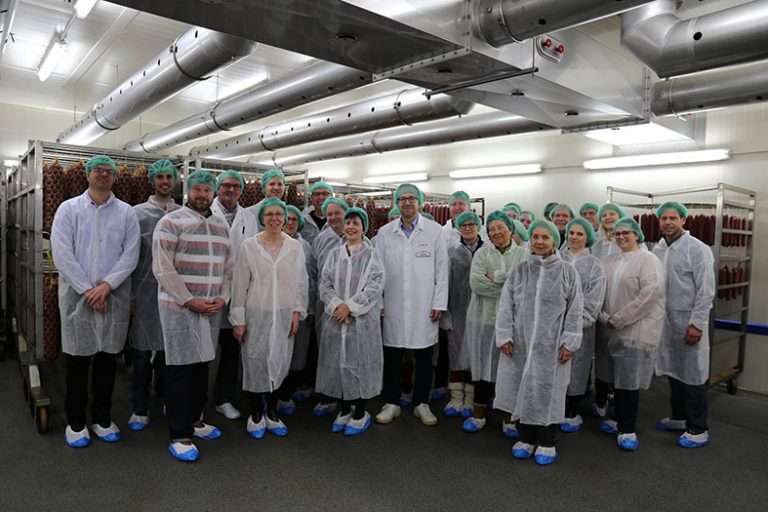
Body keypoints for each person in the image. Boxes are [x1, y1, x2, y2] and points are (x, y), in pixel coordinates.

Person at [51, 155, 140, 448]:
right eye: (98, 170)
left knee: (107, 361)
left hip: (113, 296)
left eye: (108, 171)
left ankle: (102, 417)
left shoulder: (126, 213)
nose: (103, 174)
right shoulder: (68, 209)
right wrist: (88, 290)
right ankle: (76, 421)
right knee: (77, 362)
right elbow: (62, 252)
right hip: (78, 298)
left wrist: (106, 286)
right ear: (88, 175)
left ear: (115, 177)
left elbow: (131, 255)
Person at [153, 170, 233, 462]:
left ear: (213, 193)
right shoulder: (170, 221)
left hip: (210, 309)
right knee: (180, 371)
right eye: (197, 189)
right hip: (179, 309)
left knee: (202, 367)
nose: (202, 194)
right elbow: (163, 269)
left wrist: (222, 298)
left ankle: (196, 421)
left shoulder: (221, 226)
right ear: (188, 191)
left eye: (206, 190)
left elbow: (228, 268)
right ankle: (180, 434)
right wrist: (189, 300)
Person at [494, 219, 583, 465]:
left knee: (548, 391)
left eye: (545, 237)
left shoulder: (567, 271)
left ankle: (547, 441)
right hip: (520, 344)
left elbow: (575, 310)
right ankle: (526, 438)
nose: (540, 242)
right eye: (535, 237)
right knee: (521, 389)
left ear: (554, 240)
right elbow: (506, 305)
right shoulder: (521, 270)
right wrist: (504, 335)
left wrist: (570, 342)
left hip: (551, 347)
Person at [230, 198, 308, 439]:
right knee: (255, 361)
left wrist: (296, 312)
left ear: (284, 218)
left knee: (280, 360)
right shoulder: (250, 246)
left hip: (284, 313)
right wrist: (239, 319)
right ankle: (256, 412)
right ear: (262, 218)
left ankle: (272, 411)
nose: (274, 218)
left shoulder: (294, 247)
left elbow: (301, 282)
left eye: (278, 214)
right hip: (256, 313)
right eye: (269, 214)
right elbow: (240, 284)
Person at [374, 183, 448, 426]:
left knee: (424, 357)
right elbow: (377, 271)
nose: (407, 202)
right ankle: (392, 403)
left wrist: (439, 302)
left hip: (424, 304)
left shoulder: (435, 231)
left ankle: (421, 403)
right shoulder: (385, 233)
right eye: (402, 198)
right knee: (392, 356)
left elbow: (442, 271)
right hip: (392, 303)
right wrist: (379, 302)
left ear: (420, 202)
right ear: (397, 203)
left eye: (412, 198)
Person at [599, 217, 665, 452]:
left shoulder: (648, 260)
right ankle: (618, 418)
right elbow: (598, 291)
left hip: (635, 330)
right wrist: (603, 316)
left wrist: (620, 318)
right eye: (617, 233)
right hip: (610, 327)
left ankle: (627, 428)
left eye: (626, 232)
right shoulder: (610, 260)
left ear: (637, 234)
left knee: (628, 382)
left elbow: (650, 294)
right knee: (616, 379)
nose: (621, 236)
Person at [317, 208, 385, 436]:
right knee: (340, 364)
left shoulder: (372, 255)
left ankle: (360, 413)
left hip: (362, 322)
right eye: (348, 223)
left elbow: (374, 287)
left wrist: (351, 307)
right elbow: (325, 283)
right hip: (337, 319)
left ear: (364, 227)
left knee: (361, 365)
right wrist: (337, 305)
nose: (351, 227)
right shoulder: (334, 254)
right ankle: (345, 408)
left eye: (356, 223)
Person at [653, 201, 715, 448]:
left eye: (673, 218)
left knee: (693, 375)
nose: (668, 222)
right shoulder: (658, 249)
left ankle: (699, 428)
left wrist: (697, 323)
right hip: (666, 322)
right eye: (664, 218)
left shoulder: (697, 249)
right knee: (673, 370)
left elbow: (706, 290)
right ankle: (679, 417)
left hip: (689, 321)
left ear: (683, 220)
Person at [462, 211, 527, 434]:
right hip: (483, 320)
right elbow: (476, 284)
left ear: (510, 229)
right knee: (482, 370)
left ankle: (509, 419)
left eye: (501, 227)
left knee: (511, 371)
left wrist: (495, 277)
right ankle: (478, 414)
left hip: (513, 324)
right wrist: (508, 282)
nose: (496, 232)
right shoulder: (482, 253)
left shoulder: (523, 254)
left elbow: (523, 287)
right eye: (492, 229)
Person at [128, 159, 180, 432]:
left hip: (176, 294)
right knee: (142, 353)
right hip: (145, 291)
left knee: (171, 351)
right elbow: (130, 257)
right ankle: (140, 408)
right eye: (160, 177)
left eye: (169, 177)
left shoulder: (183, 213)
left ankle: (169, 399)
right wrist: (131, 295)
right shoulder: (136, 214)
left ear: (175, 181)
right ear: (152, 181)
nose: (165, 182)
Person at [210, 169, 259, 421]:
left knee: (231, 352)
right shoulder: (204, 211)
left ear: (241, 190)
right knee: (201, 351)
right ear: (218, 188)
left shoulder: (248, 217)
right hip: (207, 290)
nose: (230, 190)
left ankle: (223, 399)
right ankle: (192, 400)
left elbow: (253, 256)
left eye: (235, 186)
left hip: (238, 293)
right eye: (226, 185)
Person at [560, 219, 606, 433]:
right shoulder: (556, 258)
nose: (574, 237)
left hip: (582, 328)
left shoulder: (595, 265)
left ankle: (571, 412)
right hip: (553, 327)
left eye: (580, 234)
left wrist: (575, 323)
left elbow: (594, 301)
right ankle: (555, 409)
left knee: (577, 369)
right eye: (571, 233)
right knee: (556, 368)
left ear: (588, 237)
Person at [310, 196, 350, 416]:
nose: (334, 217)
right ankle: (328, 396)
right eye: (330, 214)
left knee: (350, 353)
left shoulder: (359, 237)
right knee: (327, 352)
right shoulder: (321, 240)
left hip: (352, 307)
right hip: (326, 305)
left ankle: (349, 398)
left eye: (338, 213)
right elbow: (314, 274)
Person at [443, 211, 484, 418]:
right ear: (458, 228)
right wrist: (445, 314)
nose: (467, 228)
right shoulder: (452, 252)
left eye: (471, 224)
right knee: (456, 354)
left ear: (478, 226)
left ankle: (470, 400)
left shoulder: (487, 251)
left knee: (475, 356)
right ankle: (456, 398)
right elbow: (445, 284)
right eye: (463, 225)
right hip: (457, 311)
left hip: (482, 314)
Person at [590, 202, 627, 417]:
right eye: (604, 215)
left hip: (622, 306)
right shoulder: (597, 243)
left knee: (620, 355)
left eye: (612, 214)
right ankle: (601, 397)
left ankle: (619, 399)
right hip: (599, 303)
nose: (608, 217)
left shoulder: (630, 242)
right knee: (602, 354)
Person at [279, 205, 317, 413]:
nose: (290, 222)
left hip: (300, 307)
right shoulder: (270, 242)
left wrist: (309, 309)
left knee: (297, 354)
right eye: (287, 218)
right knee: (276, 352)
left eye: (294, 219)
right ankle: (272, 395)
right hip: (275, 308)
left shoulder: (306, 247)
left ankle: (287, 393)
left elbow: (310, 280)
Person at [435, 191, 472, 401]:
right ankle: (447, 389)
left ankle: (470, 394)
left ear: (469, 207)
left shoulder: (480, 233)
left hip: (471, 300)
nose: (458, 207)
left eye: (462, 204)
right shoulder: (441, 232)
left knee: (470, 349)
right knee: (447, 349)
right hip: (447, 298)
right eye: (454, 204)